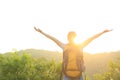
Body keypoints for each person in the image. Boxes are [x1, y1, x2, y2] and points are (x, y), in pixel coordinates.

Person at [34, 27, 112, 80]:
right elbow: (53, 39)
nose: (71, 38)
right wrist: (42, 32)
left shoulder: (68, 46)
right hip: (70, 74)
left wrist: (103, 32)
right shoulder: (75, 46)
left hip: (75, 74)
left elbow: (92, 38)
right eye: (70, 37)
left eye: (72, 37)